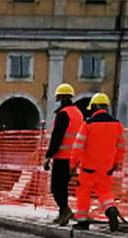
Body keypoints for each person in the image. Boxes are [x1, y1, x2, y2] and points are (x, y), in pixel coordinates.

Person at [72, 93, 125, 232]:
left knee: (84, 193)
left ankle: (82, 221)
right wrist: (116, 163)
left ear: (94, 107)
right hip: (106, 166)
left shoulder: (88, 124)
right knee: (105, 192)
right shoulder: (117, 124)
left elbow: (78, 147)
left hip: (88, 167)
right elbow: (121, 147)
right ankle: (111, 209)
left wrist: (72, 165)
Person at [42, 83, 84, 226]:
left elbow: (57, 136)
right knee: (63, 186)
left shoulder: (63, 114)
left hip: (62, 157)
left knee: (56, 187)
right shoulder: (78, 113)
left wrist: (49, 155)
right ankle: (63, 214)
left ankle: (65, 210)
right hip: (75, 157)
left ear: (61, 97)